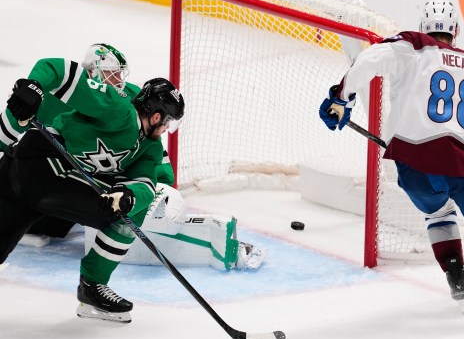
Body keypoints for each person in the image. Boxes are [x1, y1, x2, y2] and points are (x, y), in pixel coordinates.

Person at [319, 0, 464, 335]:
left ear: (423, 26)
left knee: (437, 213)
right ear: (456, 33)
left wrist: (341, 97)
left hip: (414, 165)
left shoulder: (412, 44)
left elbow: (370, 58)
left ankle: (454, 272)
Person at [1, 43, 266, 270]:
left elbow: (155, 162)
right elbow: (14, 128)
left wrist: (138, 187)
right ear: (91, 73)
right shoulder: (60, 98)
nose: (117, 82)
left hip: (84, 174)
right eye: (110, 75)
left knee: (115, 206)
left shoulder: (130, 102)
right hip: (44, 170)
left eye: (119, 75)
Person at [0, 48, 184, 323]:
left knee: (129, 209)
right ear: (157, 116)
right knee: (121, 215)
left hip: (28, 175)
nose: (167, 129)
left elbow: (146, 184)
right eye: (168, 122)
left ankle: (93, 288)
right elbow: (56, 68)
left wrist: (127, 195)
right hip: (41, 164)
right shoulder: (116, 107)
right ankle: (92, 285)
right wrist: (33, 87)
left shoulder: (149, 147)